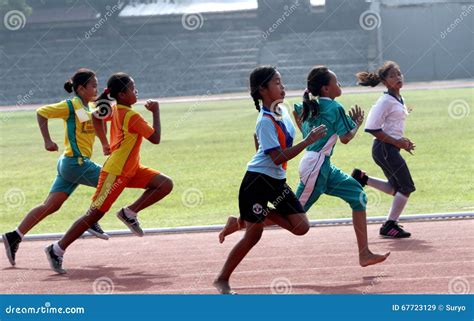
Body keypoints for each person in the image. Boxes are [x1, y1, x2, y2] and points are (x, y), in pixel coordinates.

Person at [44, 72, 173, 274]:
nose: (136, 91)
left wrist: (105, 143)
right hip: (116, 172)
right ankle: (57, 249)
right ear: (122, 95)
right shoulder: (131, 116)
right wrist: (156, 111)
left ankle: (129, 212)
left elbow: (96, 116)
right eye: (132, 88)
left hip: (132, 169)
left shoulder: (115, 109)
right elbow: (155, 138)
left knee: (164, 184)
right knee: (94, 214)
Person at [214, 66, 327, 294]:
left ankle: (241, 220)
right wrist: (307, 142)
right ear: (262, 90)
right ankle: (222, 279)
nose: (282, 86)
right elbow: (276, 157)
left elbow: (264, 143)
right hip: (257, 183)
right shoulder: (265, 120)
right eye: (277, 82)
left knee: (301, 227)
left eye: (281, 82)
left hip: (276, 182)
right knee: (253, 236)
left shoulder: (281, 111)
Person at [2, 68, 109, 267]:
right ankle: (91, 219)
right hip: (75, 162)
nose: (97, 87)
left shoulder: (89, 106)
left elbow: (96, 116)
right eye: (93, 85)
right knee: (110, 182)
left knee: (51, 205)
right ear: (80, 88)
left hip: (70, 164)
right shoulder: (70, 105)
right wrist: (47, 141)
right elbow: (41, 112)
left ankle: (14, 236)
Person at [294, 65, 390, 267]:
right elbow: (346, 138)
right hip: (316, 166)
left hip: (322, 165)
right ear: (326, 89)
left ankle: (364, 254)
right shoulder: (334, 108)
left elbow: (301, 124)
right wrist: (356, 123)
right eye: (336, 82)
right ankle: (245, 221)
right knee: (292, 216)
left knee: (358, 194)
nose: (340, 84)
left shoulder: (309, 106)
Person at [352, 61, 415, 238]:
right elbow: (372, 128)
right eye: (392, 75)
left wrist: (404, 143)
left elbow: (393, 128)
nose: (398, 77)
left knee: (396, 188)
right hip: (384, 148)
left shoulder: (399, 99)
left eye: (399, 73)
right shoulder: (384, 101)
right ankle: (389, 225)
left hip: (390, 148)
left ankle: (362, 178)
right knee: (407, 186)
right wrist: (397, 143)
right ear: (385, 81)